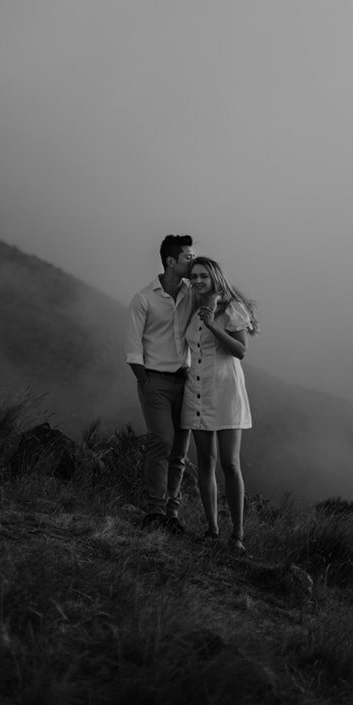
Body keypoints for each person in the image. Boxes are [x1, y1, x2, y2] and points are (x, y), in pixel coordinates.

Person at [181, 256, 257, 553]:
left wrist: (213, 327)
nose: (198, 281)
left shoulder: (231, 308)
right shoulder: (191, 308)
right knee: (205, 462)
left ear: (215, 278)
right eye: (194, 277)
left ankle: (237, 535)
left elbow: (240, 351)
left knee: (230, 463)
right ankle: (212, 529)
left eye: (204, 276)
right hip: (197, 390)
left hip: (226, 391)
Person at [124, 234, 197, 531]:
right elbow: (132, 349)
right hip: (155, 380)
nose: (192, 262)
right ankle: (154, 512)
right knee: (162, 442)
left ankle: (172, 515)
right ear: (171, 262)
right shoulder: (143, 299)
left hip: (187, 382)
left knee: (180, 451)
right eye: (187, 258)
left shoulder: (193, 292)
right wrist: (146, 382)